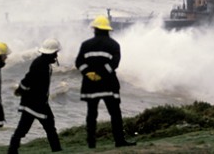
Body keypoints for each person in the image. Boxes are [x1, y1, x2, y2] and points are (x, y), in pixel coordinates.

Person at [76, 15, 136, 148]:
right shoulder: (114, 45)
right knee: (115, 113)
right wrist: (101, 74)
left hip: (90, 86)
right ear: (108, 30)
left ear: (95, 29)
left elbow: (79, 62)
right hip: (109, 84)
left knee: (91, 114)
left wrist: (89, 73)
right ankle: (119, 141)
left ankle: (91, 144)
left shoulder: (86, 45)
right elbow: (114, 64)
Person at [8, 38, 63, 153]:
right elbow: (28, 79)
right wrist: (20, 89)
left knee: (22, 130)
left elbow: (28, 81)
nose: (56, 55)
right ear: (50, 53)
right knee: (49, 127)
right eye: (55, 53)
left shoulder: (43, 63)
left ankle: (12, 150)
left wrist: (21, 90)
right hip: (37, 103)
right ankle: (57, 150)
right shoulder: (40, 65)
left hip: (34, 103)